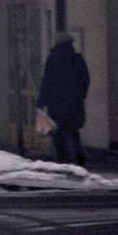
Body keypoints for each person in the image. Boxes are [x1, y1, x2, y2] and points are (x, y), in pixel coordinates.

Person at [36, 32, 90, 165]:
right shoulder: (77, 59)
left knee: (57, 131)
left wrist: (42, 101)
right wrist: (80, 95)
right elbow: (85, 79)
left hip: (56, 101)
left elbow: (47, 81)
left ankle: (61, 159)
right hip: (74, 102)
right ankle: (78, 154)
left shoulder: (53, 58)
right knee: (72, 130)